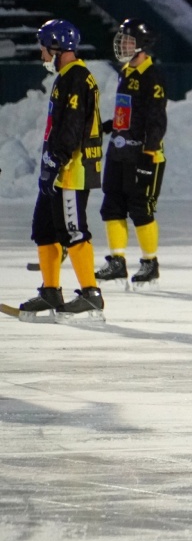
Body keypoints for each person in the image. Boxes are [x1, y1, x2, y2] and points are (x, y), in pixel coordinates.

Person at [19, 19, 105, 323]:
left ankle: (91, 295)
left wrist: (56, 160)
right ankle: (51, 290)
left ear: (56, 47)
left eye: (43, 48)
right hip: (59, 167)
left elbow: (71, 126)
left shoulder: (76, 78)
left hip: (72, 169)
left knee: (72, 230)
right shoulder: (68, 75)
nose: (42, 54)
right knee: (43, 229)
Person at [94, 19, 168, 289]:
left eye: (128, 41)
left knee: (141, 208)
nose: (123, 45)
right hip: (119, 151)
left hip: (142, 153)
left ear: (143, 46)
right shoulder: (125, 72)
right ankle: (117, 261)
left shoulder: (153, 76)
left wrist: (149, 152)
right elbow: (128, 113)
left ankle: (150, 263)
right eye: (123, 40)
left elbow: (156, 119)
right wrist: (109, 126)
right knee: (111, 206)